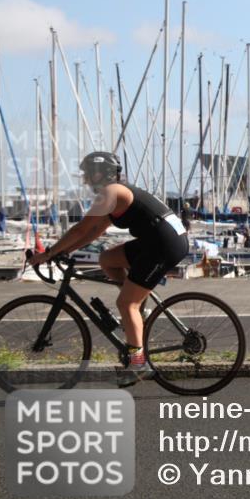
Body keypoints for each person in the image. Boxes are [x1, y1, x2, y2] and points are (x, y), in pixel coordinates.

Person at [29, 152, 189, 387]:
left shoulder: (111, 192)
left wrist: (49, 253)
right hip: (155, 241)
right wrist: (65, 251)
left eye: (86, 175)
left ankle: (138, 363)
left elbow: (80, 229)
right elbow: (94, 231)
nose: (84, 180)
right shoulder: (115, 195)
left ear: (99, 173)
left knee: (126, 303)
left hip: (164, 245)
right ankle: (137, 313)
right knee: (107, 259)